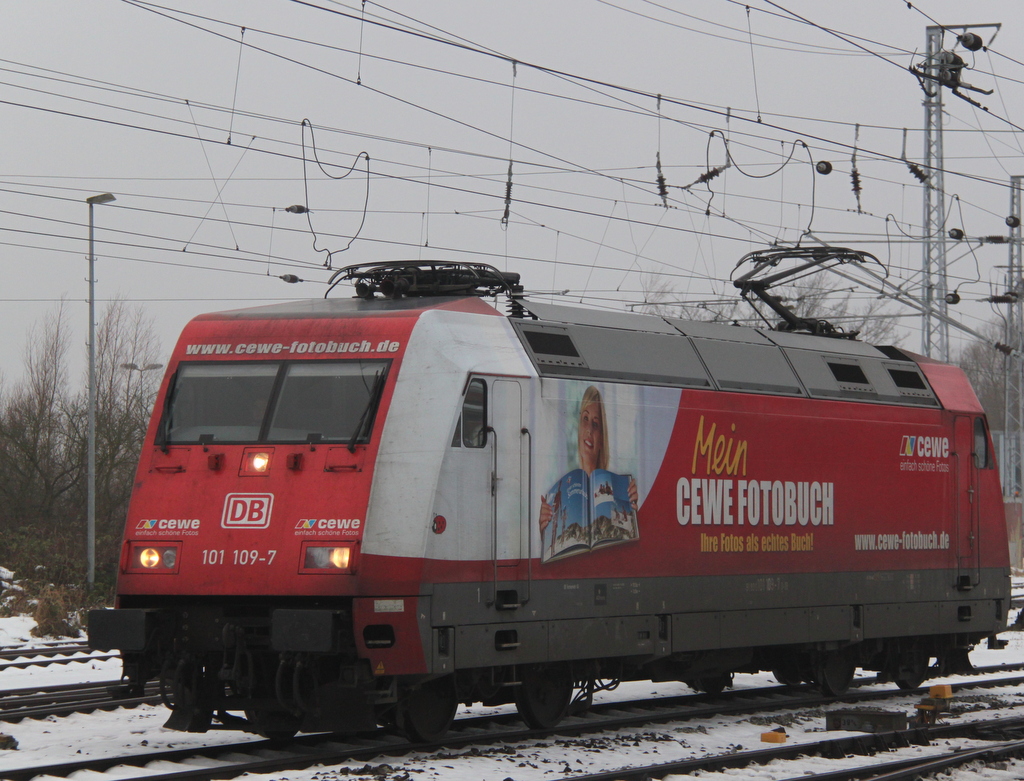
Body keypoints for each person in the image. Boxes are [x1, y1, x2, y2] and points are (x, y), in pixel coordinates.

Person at [539, 386, 637, 536]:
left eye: (595, 424)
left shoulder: (618, 486)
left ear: (602, 440)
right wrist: (544, 529)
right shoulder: (562, 485)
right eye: (585, 419)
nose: (589, 430)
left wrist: (635, 513)